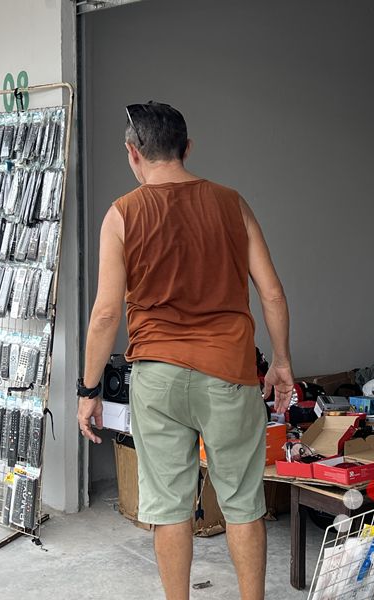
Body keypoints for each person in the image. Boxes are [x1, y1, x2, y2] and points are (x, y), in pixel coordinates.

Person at [77, 101, 293, 600]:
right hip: (230, 372)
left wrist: (88, 390)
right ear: (187, 148)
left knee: (168, 507)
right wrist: (281, 362)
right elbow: (273, 294)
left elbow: (106, 314)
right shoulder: (232, 204)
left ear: (133, 153)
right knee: (243, 503)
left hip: (158, 377)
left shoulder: (122, 214)